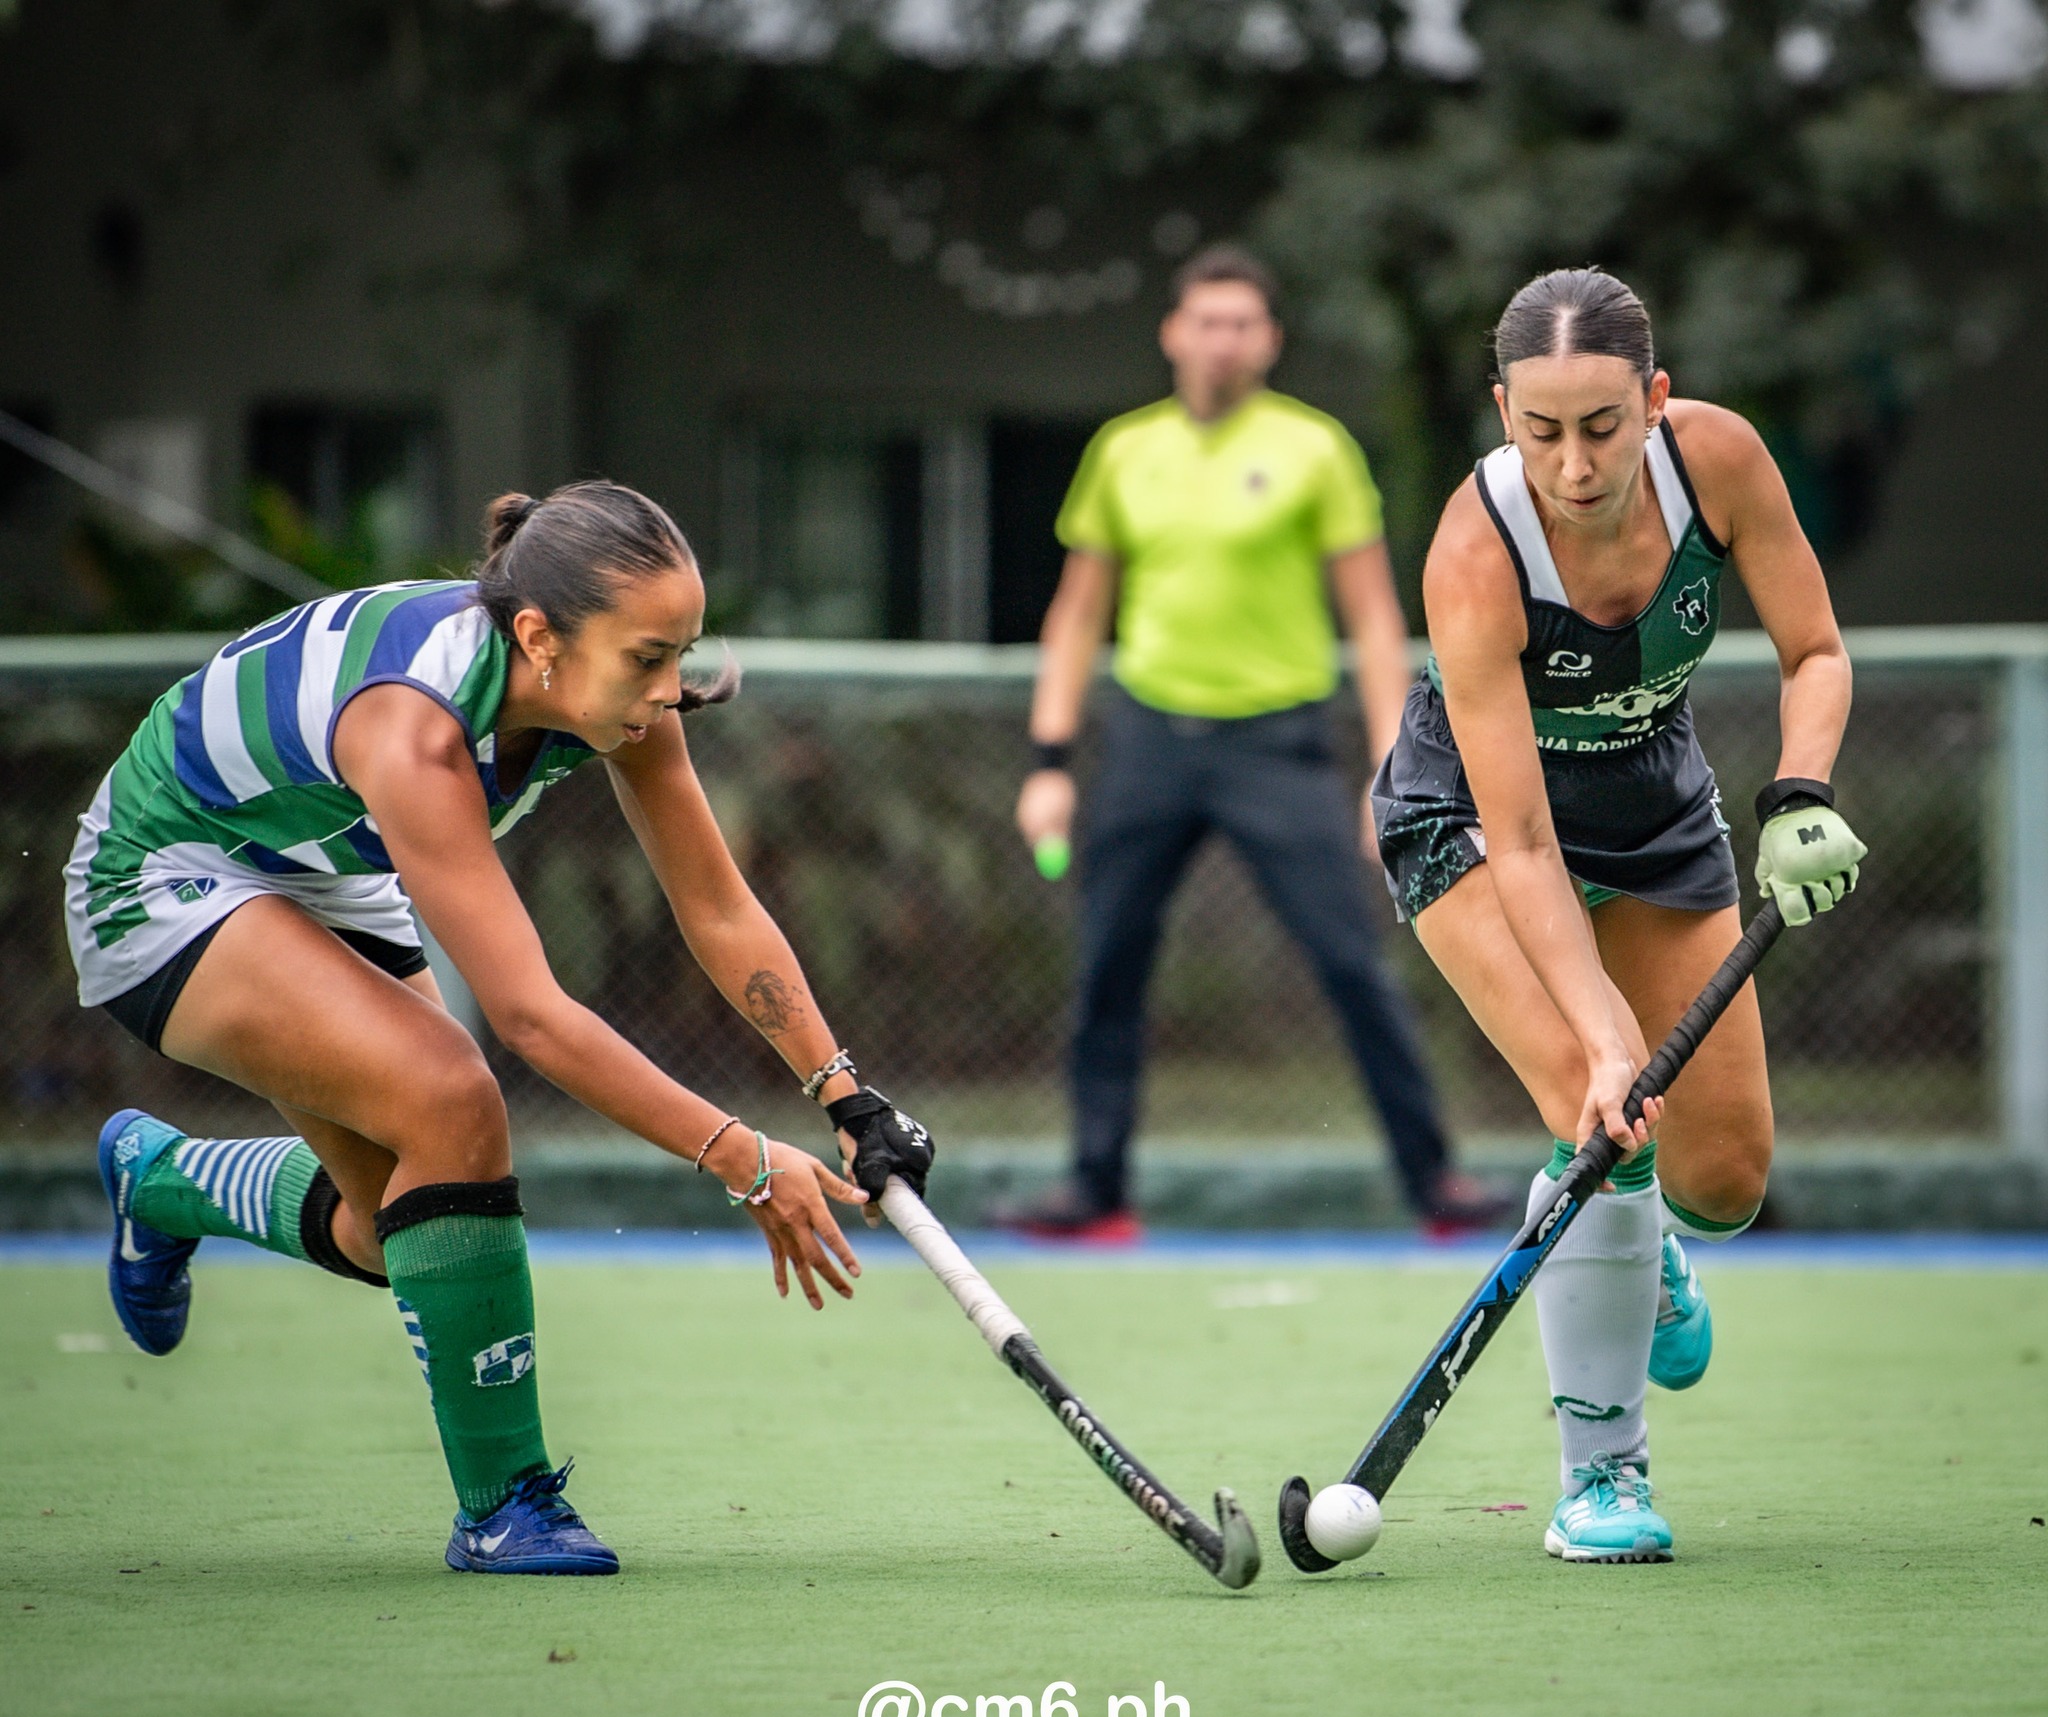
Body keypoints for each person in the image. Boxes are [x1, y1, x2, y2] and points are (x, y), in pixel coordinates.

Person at [64, 481, 934, 1575]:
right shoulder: (413, 726)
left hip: (323, 862)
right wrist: (742, 1158)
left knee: (396, 1231)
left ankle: (164, 1181)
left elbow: (717, 907)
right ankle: (503, 1507)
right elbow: (529, 1014)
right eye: (647, 658)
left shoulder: (620, 700)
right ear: (538, 638)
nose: (670, 690)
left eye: (682, 654)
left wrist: (846, 1094)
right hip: (162, 874)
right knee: (452, 1096)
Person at [1375, 268, 1865, 1562]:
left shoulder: (1720, 464)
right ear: (1503, 413)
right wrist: (1602, 1039)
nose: (1574, 464)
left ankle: (1643, 1244)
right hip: (1475, 824)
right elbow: (1525, 840)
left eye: (1601, 426)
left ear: (1653, 398)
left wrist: (1800, 795)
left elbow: (1815, 652)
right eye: (1540, 431)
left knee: (1724, 1179)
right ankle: (1601, 1476)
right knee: (1592, 1108)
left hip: (1652, 808)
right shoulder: (1474, 554)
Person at [1012, 245, 1505, 1243]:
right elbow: (1076, 616)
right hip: (1149, 739)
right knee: (1107, 964)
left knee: (1351, 962)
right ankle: (1097, 1191)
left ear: (1270, 340)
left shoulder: (1315, 448)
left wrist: (1393, 767)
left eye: (1242, 323)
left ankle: (1435, 1186)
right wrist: (1048, 764)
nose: (1222, 339)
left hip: (1278, 745)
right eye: (1206, 320)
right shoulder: (1121, 451)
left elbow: (1373, 619)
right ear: (1173, 333)